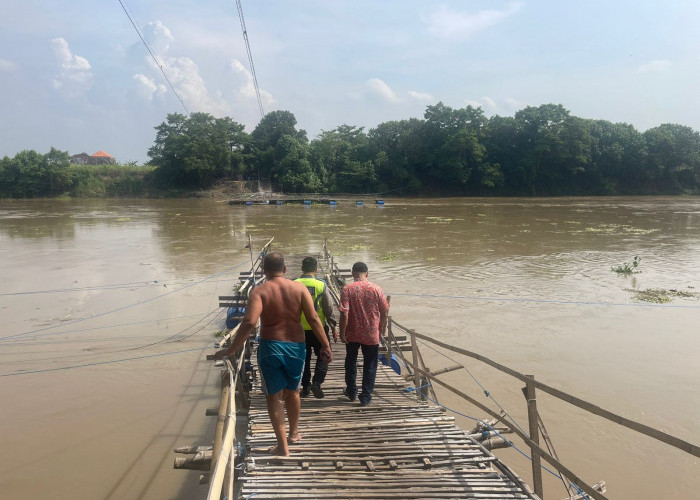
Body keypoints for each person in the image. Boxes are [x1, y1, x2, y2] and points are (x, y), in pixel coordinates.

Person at [214, 252, 332, 456]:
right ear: (285, 269)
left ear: (263, 271)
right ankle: (294, 433)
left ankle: (282, 447)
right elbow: (313, 318)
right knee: (293, 392)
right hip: (296, 347)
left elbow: (250, 322)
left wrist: (232, 349)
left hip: (271, 348)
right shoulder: (299, 288)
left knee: (274, 397)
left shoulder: (259, 291)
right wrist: (325, 344)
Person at [339, 261, 389, 407]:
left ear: (353, 273)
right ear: (367, 274)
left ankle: (351, 391)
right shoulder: (376, 289)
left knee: (350, 362)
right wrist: (382, 329)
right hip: (371, 333)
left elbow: (344, 314)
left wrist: (342, 332)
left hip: (352, 332)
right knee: (370, 364)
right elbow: (385, 311)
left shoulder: (347, 289)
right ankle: (366, 396)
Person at [295, 257, 338, 399]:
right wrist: (333, 327)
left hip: (299, 330)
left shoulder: (294, 284)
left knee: (304, 359)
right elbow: (329, 308)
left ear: (302, 268)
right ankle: (317, 382)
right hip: (319, 328)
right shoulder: (321, 285)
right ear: (316, 269)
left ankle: (305, 387)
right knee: (324, 356)